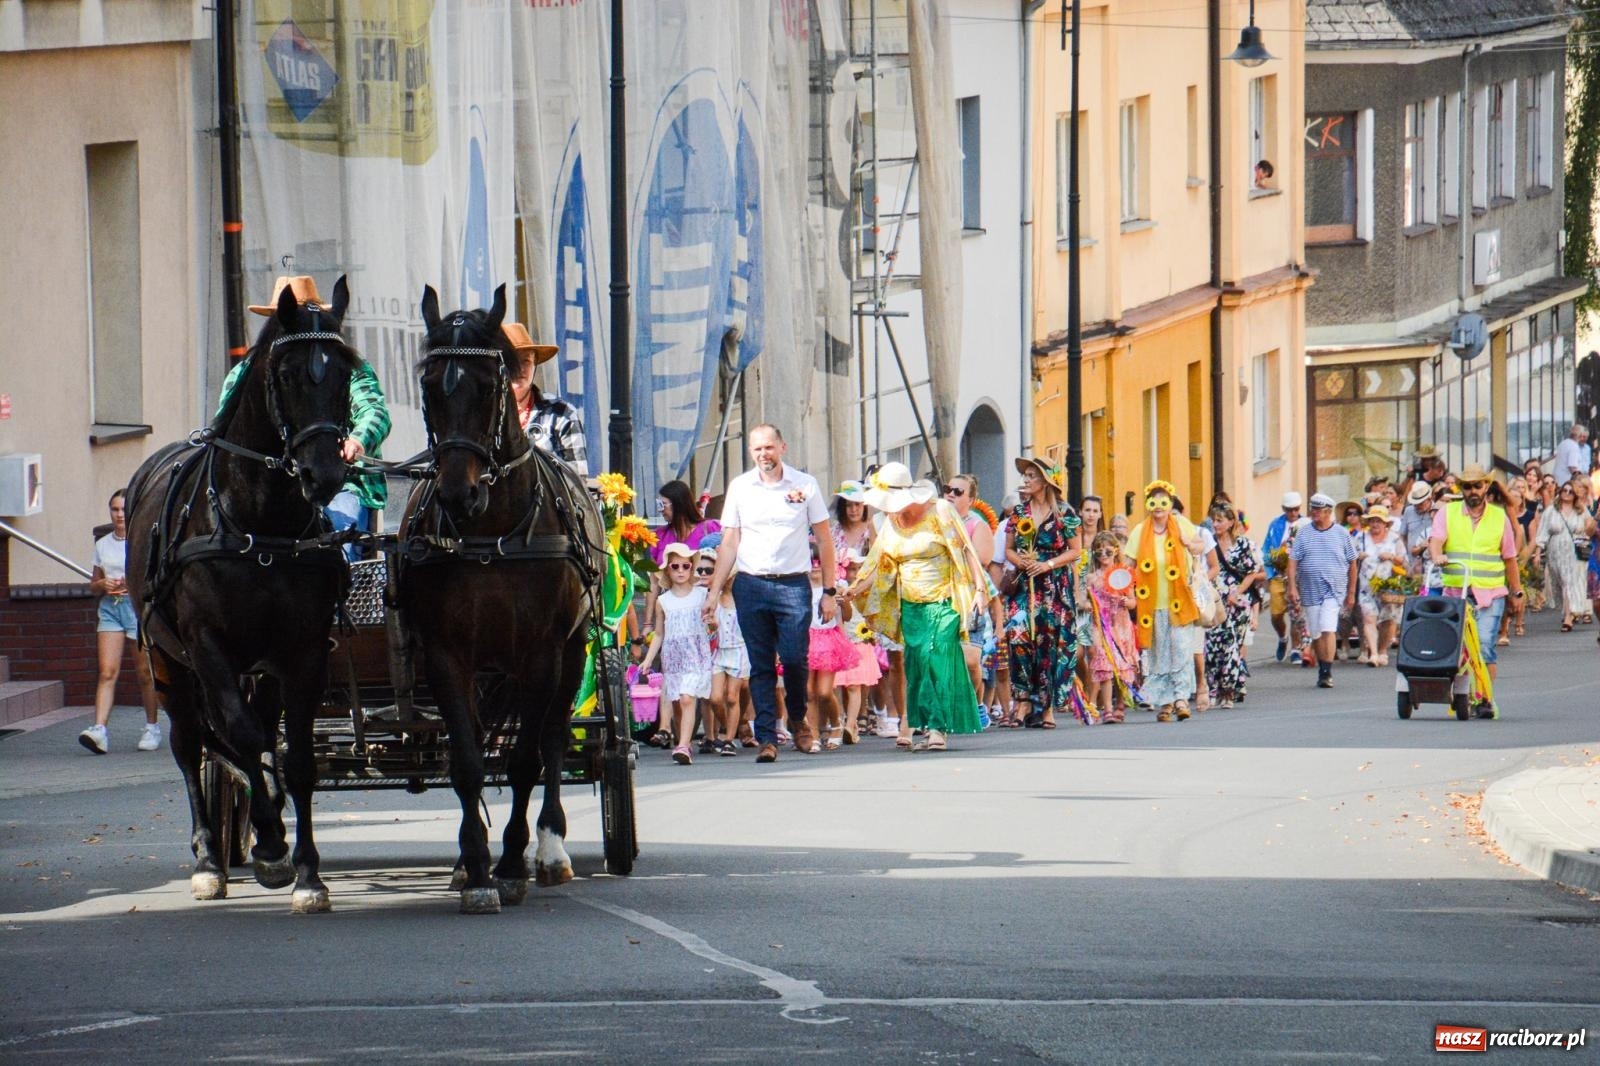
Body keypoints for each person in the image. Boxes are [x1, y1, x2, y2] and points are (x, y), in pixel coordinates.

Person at [218, 275, 392, 562]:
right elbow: (224, 427)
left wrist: (358, 440)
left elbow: (374, 412)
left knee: (338, 544)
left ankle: (340, 596)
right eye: (288, 319)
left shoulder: (348, 365)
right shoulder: (243, 374)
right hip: (260, 489)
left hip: (339, 481)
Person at [702, 425, 836, 764]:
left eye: (769, 447)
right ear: (751, 452)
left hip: (792, 584)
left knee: (793, 659)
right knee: (759, 665)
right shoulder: (740, 487)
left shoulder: (804, 485)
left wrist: (830, 591)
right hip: (752, 583)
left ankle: (797, 717)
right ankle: (766, 736)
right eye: (758, 449)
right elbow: (729, 542)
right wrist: (714, 591)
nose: (764, 454)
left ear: (782, 447)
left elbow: (823, 538)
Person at [846, 463, 988, 751]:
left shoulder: (940, 511)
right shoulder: (890, 524)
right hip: (910, 606)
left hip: (943, 601)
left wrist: (980, 589)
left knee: (937, 660)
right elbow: (877, 564)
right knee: (917, 665)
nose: (888, 509)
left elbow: (965, 549)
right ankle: (923, 723)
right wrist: (852, 590)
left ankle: (938, 727)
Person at [1428, 464, 1524, 715]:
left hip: (1490, 594)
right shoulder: (1447, 513)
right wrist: (1437, 556)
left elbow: (1510, 557)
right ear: (1461, 489)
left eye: (1477, 486)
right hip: (1456, 594)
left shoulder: (1498, 517)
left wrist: (1517, 592)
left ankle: (1485, 699)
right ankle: (1464, 697)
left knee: (1484, 646)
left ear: (1486, 487)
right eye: (1468, 486)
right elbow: (1435, 540)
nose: (1473, 491)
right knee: (1459, 650)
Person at [78, 491, 163, 755]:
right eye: (114, 510)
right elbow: (93, 585)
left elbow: (157, 577)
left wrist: (132, 583)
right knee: (107, 671)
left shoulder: (142, 541)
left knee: (144, 672)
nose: (119, 515)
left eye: (124, 510)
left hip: (136, 608)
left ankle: (152, 726)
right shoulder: (103, 544)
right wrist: (103, 584)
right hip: (110, 609)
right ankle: (99, 729)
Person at [1002, 457, 1082, 729]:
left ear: (1046, 481)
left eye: (1032, 475)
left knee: (1049, 642)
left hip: (1053, 586)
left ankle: (1046, 707)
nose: (1026, 480)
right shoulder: (1019, 512)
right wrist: (1020, 562)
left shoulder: (1065, 512)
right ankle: (1023, 699)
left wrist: (1047, 564)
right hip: (1025, 585)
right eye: (1025, 475)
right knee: (1019, 636)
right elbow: (1008, 550)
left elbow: (1075, 550)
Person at [1124, 481, 1207, 720]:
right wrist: (1116, 583)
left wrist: (1189, 543)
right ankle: (1166, 702)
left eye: (1163, 501)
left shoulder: (1181, 524)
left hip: (1179, 601)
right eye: (1153, 501)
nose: (1158, 506)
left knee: (1181, 649)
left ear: (1170, 504)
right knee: (1161, 654)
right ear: (1148, 504)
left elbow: (1199, 546)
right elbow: (1128, 564)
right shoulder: (1140, 530)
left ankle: (1181, 698)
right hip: (1153, 605)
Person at [638, 543, 714, 764]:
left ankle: (683, 745)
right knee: (679, 703)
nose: (681, 571)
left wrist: (713, 624)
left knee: (687, 697)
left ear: (692, 568)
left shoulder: (702, 595)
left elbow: (712, 624)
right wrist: (649, 659)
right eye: (675, 566)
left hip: (696, 656)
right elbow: (660, 634)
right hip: (673, 658)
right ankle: (684, 742)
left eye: (685, 566)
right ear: (668, 570)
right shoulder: (663, 601)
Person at [1287, 493, 1360, 689]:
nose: (1314, 513)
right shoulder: (1304, 533)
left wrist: (1351, 593)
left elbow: (1353, 563)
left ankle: (1326, 671)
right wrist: (1292, 587)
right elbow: (1293, 561)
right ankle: (1323, 667)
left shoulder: (1341, 533)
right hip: (1310, 590)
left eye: (1318, 510)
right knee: (1316, 631)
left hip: (1334, 590)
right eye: (1313, 509)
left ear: (1328, 512)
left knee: (1328, 627)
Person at [503, 322, 588, 475]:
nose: (520, 369)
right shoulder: (487, 416)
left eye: (526, 361)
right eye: (513, 362)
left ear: (535, 365)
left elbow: (577, 479)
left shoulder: (562, 413)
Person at [1204, 501, 1261, 708]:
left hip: (1237, 603)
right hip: (1214, 602)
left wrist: (1237, 592)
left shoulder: (1244, 544)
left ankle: (1228, 692)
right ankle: (1213, 689)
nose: (1215, 524)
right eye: (1213, 520)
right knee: (1212, 647)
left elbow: (1252, 571)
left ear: (1230, 522)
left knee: (1231, 647)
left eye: (1219, 520)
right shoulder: (1208, 543)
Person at [1080, 531, 1138, 723]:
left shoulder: (1123, 574)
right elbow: (1083, 601)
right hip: (1101, 625)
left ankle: (1120, 704)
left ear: (1115, 551)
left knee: (1122, 667)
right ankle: (1108, 709)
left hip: (1120, 625)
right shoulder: (1091, 578)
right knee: (1104, 666)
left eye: (1107, 551)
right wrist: (1088, 605)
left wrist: (1124, 600)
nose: (1103, 555)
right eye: (1098, 552)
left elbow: (1133, 602)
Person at [807, 548, 856, 751]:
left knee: (824, 691)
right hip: (805, 639)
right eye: (811, 562)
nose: (815, 567)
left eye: (819, 561)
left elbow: (847, 616)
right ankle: (814, 733)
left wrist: (843, 603)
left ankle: (836, 724)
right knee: (808, 691)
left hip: (827, 641)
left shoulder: (834, 587)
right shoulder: (801, 588)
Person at [705, 549, 749, 753]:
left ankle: (730, 739)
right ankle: (726, 724)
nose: (731, 581)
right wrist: (711, 626)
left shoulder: (744, 600)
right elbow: (707, 628)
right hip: (719, 651)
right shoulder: (714, 598)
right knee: (715, 697)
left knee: (732, 696)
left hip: (739, 650)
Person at [1533, 480, 1592, 631]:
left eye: (1570, 491)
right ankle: (1571, 610)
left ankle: (1568, 617)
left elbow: (1590, 529)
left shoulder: (1581, 510)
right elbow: (1542, 531)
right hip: (1555, 552)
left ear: (1575, 495)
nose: (1566, 493)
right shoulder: (1551, 510)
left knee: (1569, 583)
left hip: (1575, 552)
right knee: (1560, 582)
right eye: (1564, 490)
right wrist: (1538, 553)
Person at [1353, 506, 1406, 666]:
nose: (1375, 524)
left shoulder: (1394, 539)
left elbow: (1404, 561)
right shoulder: (1360, 537)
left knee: (1389, 621)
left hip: (1389, 586)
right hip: (1366, 587)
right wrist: (1358, 557)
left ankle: (1383, 650)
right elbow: (1349, 558)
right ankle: (1374, 654)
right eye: (1373, 520)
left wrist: (1391, 557)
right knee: (1369, 618)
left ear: (1386, 524)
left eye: (1379, 521)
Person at [1260, 491, 1303, 662]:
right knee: (1276, 614)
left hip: (1298, 575)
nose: (1293, 513)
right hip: (1278, 575)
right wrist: (1276, 556)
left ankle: (1296, 649)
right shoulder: (1275, 525)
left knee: (1296, 614)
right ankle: (1283, 638)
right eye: (1289, 510)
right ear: (1284, 509)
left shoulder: (1306, 524)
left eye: (1296, 509)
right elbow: (1266, 550)